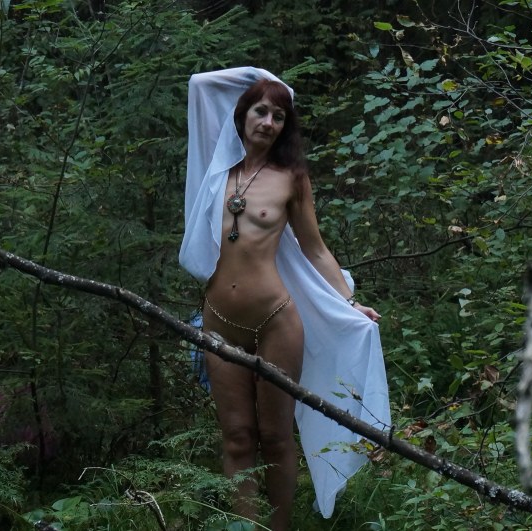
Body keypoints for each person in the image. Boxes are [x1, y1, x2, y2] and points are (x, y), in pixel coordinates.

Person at [179, 67, 391, 529]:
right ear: (241, 115)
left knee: (275, 437)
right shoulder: (215, 171)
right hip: (218, 321)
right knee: (237, 437)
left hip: (276, 320)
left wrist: (348, 302)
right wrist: (263, 78)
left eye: (279, 116)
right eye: (260, 111)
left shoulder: (290, 178)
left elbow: (315, 249)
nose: (268, 122)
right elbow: (200, 85)